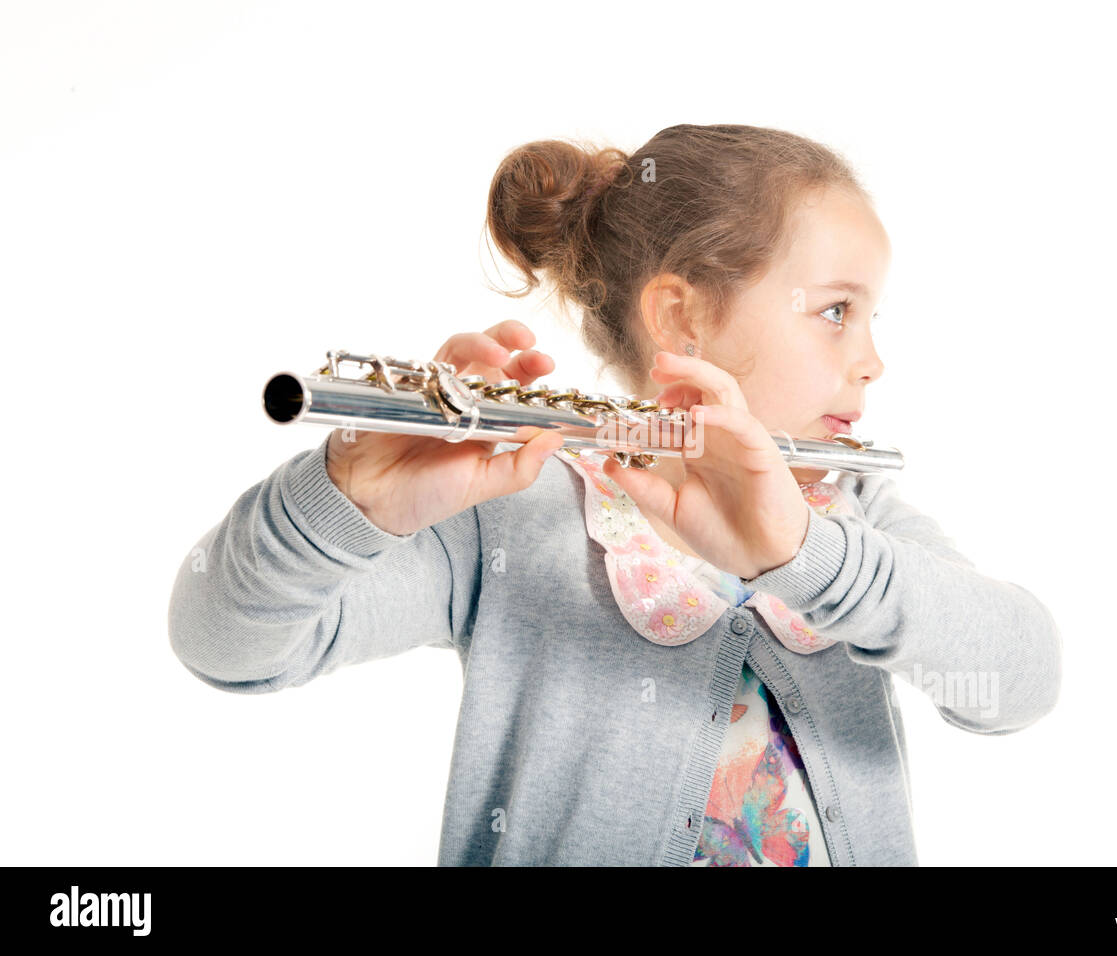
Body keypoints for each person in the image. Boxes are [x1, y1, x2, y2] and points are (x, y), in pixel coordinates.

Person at [168, 123, 1062, 866]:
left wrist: (805, 553)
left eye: (871, 319)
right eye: (835, 311)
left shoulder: (853, 521)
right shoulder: (513, 511)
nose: (871, 359)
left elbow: (1020, 682)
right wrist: (341, 502)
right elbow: (229, 647)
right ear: (682, 317)